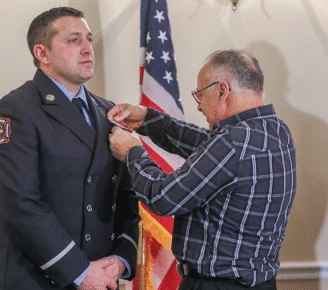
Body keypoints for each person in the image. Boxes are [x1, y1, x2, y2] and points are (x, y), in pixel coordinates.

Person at [108, 50, 296, 290]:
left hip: (215, 286)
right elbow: (207, 145)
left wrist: (133, 152)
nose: (198, 106)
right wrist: (148, 119)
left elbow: (162, 198)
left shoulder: (231, 142)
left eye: (199, 94)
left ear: (222, 90)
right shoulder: (277, 132)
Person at [0, 7, 140, 290]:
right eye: (74, 40)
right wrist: (79, 271)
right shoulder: (15, 111)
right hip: (35, 280)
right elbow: (18, 204)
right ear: (42, 54)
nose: (88, 48)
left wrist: (120, 258)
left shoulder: (109, 113)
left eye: (89, 39)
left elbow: (127, 197)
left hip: (101, 278)